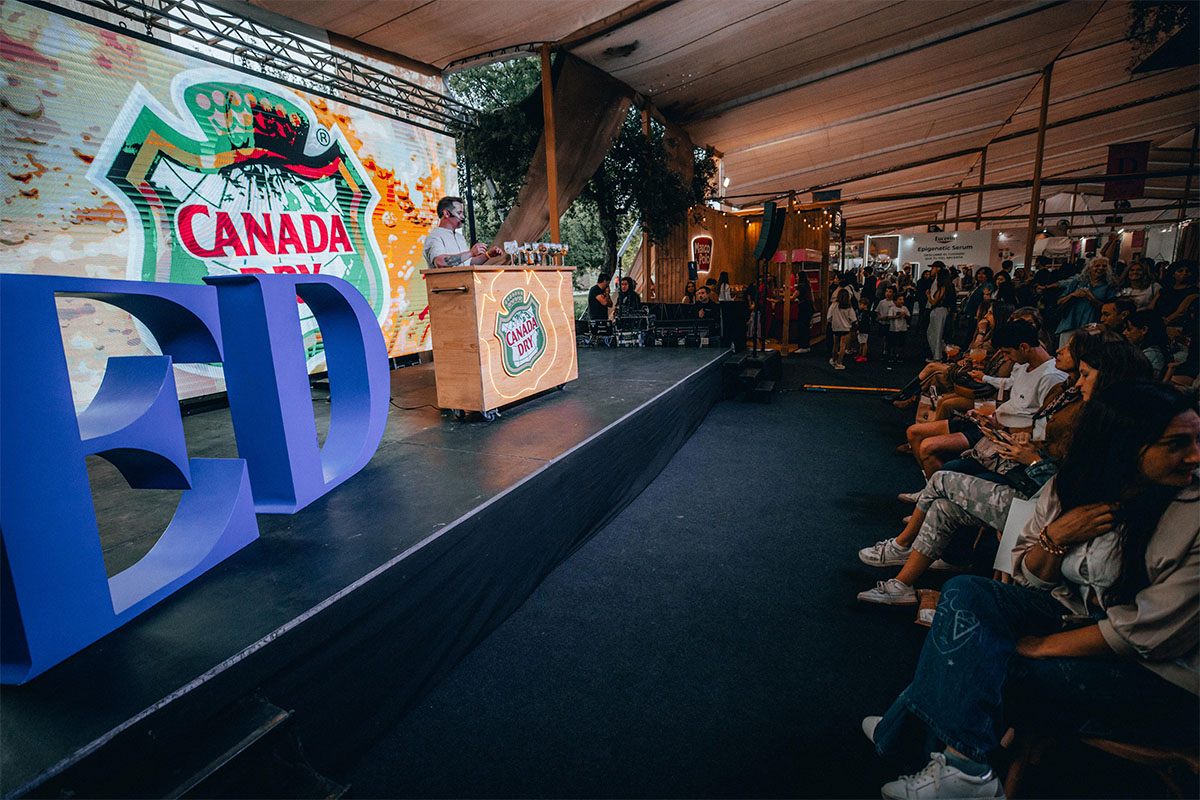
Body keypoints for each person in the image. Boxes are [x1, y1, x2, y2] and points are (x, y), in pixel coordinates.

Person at [864, 380, 1199, 800]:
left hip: (1159, 670)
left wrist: (1040, 646)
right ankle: (964, 770)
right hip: (1072, 616)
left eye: (1196, 440)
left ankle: (921, 739)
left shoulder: (1192, 511)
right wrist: (1057, 538)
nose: (1196, 455)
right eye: (1178, 444)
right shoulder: (1075, 484)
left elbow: (1146, 633)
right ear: (1126, 445)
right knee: (966, 591)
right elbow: (1030, 577)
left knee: (989, 662)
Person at [859, 334, 1152, 606]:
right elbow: (1052, 450)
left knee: (942, 480)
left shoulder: (1108, 429)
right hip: (1035, 493)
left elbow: (1064, 486)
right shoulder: (1082, 405)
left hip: (1037, 504)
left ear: (1109, 377)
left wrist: (1033, 460)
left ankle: (903, 544)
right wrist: (1027, 445)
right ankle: (902, 585)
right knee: (944, 507)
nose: (1079, 382)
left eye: (1086, 375)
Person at [905, 320, 1066, 479]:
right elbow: (1015, 400)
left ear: (1024, 347)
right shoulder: (1024, 365)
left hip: (1005, 434)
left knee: (930, 449)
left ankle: (934, 487)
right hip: (993, 424)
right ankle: (930, 485)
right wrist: (992, 416)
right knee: (914, 432)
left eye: (1007, 353)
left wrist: (1002, 426)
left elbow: (1045, 427)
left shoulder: (1051, 378)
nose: (1006, 358)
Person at [423, 196, 500, 269]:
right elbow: (440, 262)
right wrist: (471, 253)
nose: (463, 217)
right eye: (459, 213)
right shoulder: (434, 237)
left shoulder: (460, 237)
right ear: (446, 214)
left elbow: (469, 263)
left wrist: (488, 255)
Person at [1055, 257, 1115, 346]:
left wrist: (1090, 297)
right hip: (1070, 324)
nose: (1101, 268)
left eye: (1104, 266)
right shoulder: (1078, 282)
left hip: (1092, 327)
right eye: (1097, 266)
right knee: (1065, 350)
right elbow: (1059, 301)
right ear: (1089, 269)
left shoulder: (1108, 286)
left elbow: (1108, 309)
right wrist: (1072, 295)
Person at [1123, 309, 1171, 380]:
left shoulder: (1152, 354)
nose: (1124, 333)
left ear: (1144, 330)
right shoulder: (1141, 351)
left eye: (1129, 329)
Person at [925, 262, 953, 361]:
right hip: (941, 311)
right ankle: (939, 354)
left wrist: (928, 296)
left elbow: (934, 302)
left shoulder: (942, 287)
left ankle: (937, 356)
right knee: (935, 333)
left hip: (938, 311)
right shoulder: (947, 286)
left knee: (936, 334)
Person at [875, 286, 910, 362]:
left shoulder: (894, 304)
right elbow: (878, 310)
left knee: (891, 339)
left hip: (891, 324)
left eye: (890, 292)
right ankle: (885, 351)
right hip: (884, 323)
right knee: (884, 338)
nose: (887, 293)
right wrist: (879, 317)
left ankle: (892, 353)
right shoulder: (882, 302)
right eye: (886, 291)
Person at [828, 286, 857, 370]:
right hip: (846, 328)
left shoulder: (833, 305)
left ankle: (834, 360)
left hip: (836, 327)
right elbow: (853, 318)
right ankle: (839, 363)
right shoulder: (849, 307)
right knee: (843, 346)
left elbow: (829, 317)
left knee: (835, 345)